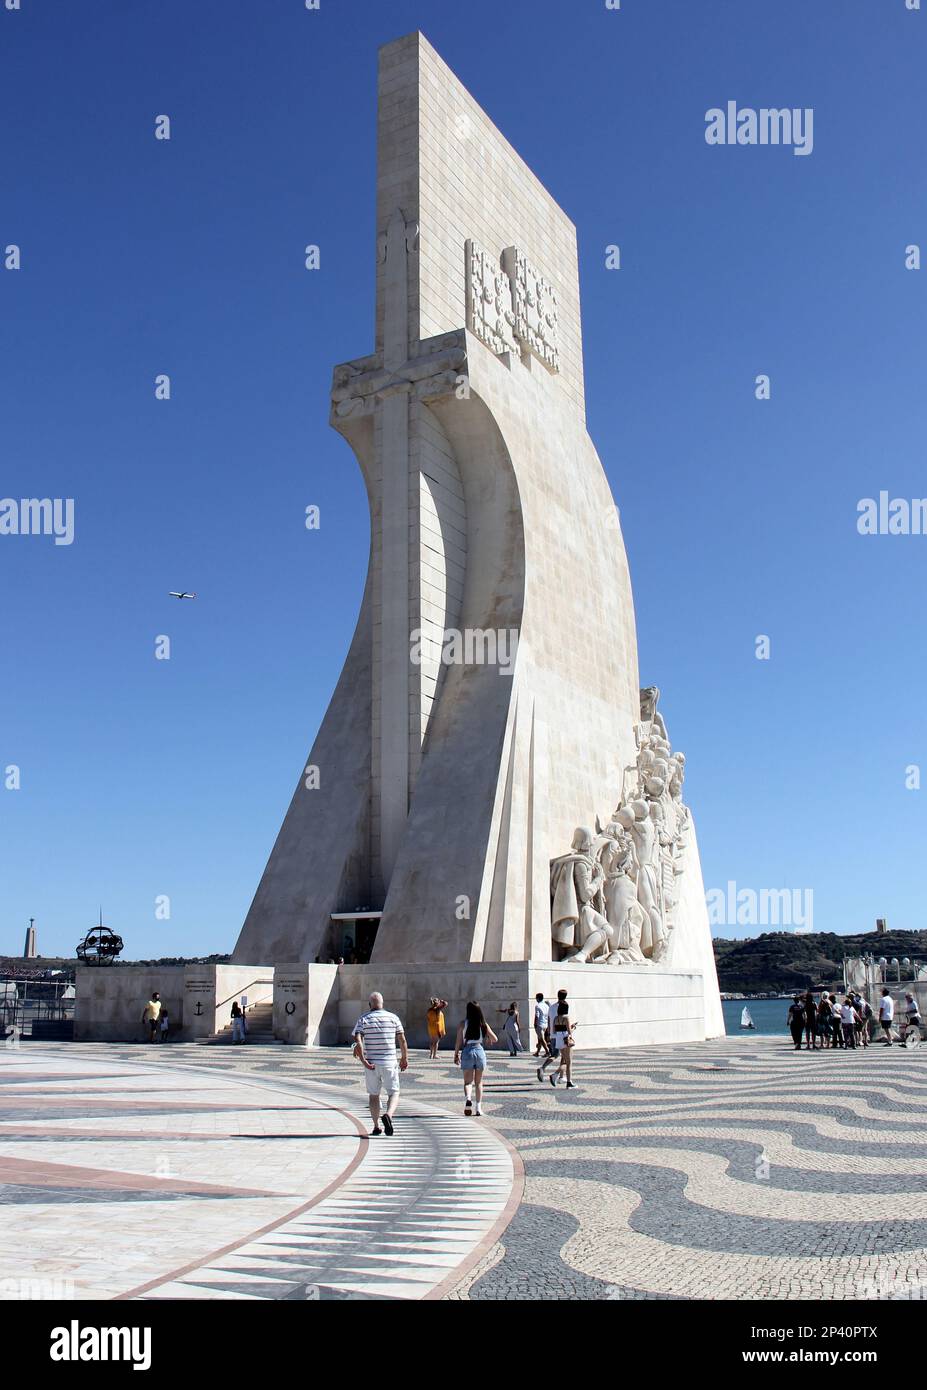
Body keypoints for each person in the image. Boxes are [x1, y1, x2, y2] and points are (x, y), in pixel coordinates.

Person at [352, 992, 408, 1136]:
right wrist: (404, 1058)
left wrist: (363, 1058)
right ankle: (388, 1115)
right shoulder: (393, 1018)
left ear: (370, 1004)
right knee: (394, 1092)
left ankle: (376, 1126)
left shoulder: (363, 1019)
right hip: (389, 1062)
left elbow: (358, 1038)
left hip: (371, 1063)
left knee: (374, 1095)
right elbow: (402, 1039)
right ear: (382, 1003)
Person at [454, 1001, 498, 1116]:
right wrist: (488, 1039)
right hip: (479, 1051)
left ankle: (468, 1098)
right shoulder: (483, 1024)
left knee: (468, 1082)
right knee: (479, 1082)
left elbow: (458, 1040)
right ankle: (478, 1108)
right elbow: (495, 1039)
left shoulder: (463, 1024)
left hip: (467, 1051)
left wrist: (456, 1054)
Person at [547, 1002, 577, 1088]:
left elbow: (554, 1031)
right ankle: (569, 1082)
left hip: (558, 1040)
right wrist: (573, 1027)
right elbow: (569, 1032)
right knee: (569, 1062)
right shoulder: (566, 1017)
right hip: (565, 1040)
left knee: (565, 1061)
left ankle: (556, 1075)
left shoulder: (556, 1018)